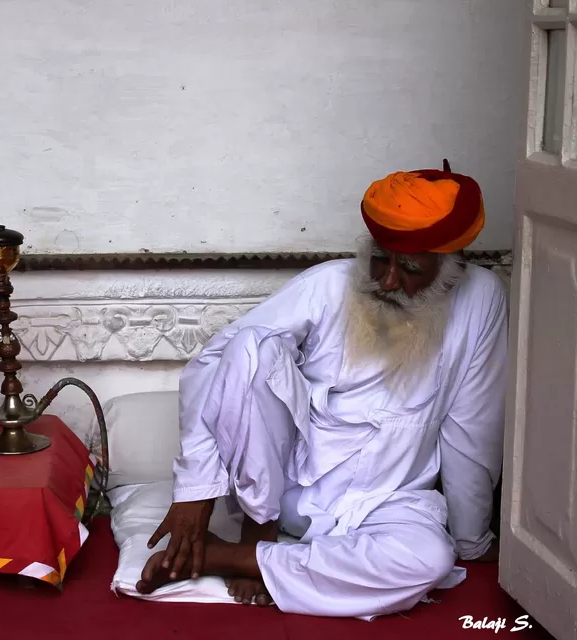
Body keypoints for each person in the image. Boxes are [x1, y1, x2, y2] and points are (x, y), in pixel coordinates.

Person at [136, 164, 507, 620]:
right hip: (288, 488)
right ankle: (258, 538)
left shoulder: (482, 299)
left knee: (428, 560)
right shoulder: (330, 283)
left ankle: (230, 558)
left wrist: (472, 540)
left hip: (390, 500)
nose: (387, 281)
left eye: (409, 268)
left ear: (454, 264)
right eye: (380, 259)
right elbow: (215, 363)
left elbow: (473, 425)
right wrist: (195, 493)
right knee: (251, 348)